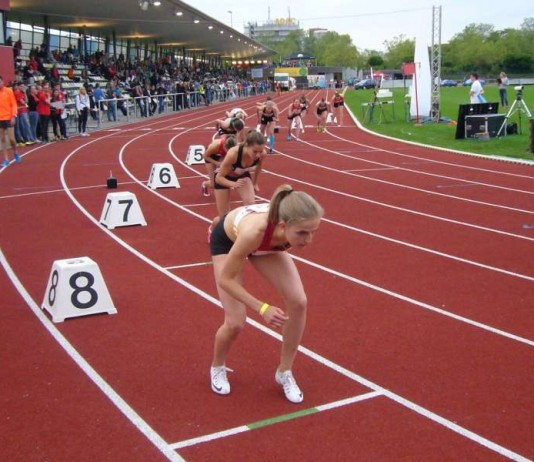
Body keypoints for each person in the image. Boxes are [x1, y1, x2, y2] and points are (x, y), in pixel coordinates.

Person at [209, 184, 324, 403]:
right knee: (235, 322)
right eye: (302, 233)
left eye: (313, 232)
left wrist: (297, 234)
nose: (308, 240)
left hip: (267, 245)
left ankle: (284, 371)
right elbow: (226, 280)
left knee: (299, 302)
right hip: (230, 241)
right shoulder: (256, 231)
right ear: (283, 225)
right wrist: (262, 307)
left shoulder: (287, 228)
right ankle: (218, 366)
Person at [209, 130, 267, 239]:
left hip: (241, 176)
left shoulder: (262, 154)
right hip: (224, 178)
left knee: (250, 205)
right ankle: (213, 228)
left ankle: (245, 235)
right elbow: (219, 178)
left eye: (261, 151)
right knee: (224, 218)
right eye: (255, 151)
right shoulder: (233, 154)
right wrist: (233, 184)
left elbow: (259, 167)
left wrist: (255, 183)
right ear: (246, 145)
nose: (258, 154)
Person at [0, 76, 21, 167]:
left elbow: (14, 104)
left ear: (2, 81)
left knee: (11, 139)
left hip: (9, 117)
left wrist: (13, 116)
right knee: (3, 139)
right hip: (0, 118)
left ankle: (15, 151)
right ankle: (6, 159)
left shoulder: (8, 91)